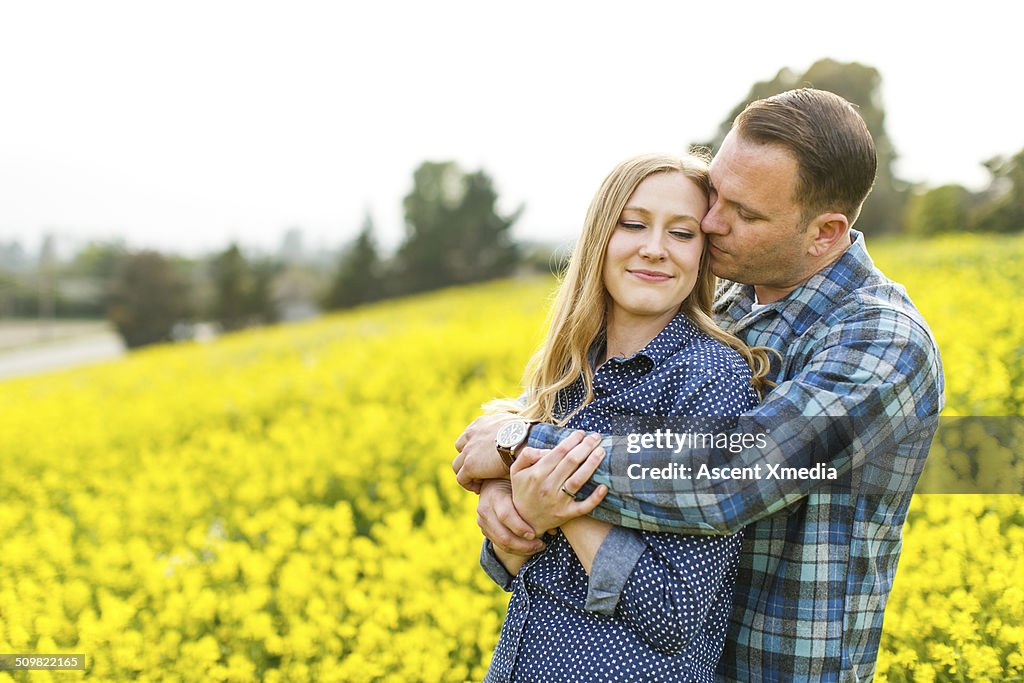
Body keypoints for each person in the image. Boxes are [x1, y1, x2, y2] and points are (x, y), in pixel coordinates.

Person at [453, 88, 944, 682]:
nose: (711, 223)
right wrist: (507, 490)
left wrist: (523, 449)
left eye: (746, 213)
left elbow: (732, 475)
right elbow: (574, 416)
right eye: (716, 193)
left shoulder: (881, 339)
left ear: (825, 231)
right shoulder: (722, 306)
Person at [477, 151, 772, 682]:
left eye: (682, 234)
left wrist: (562, 502)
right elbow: (516, 570)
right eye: (633, 224)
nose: (654, 249)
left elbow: (679, 615)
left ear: (702, 254)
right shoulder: (571, 370)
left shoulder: (710, 379)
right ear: (599, 239)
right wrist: (511, 527)